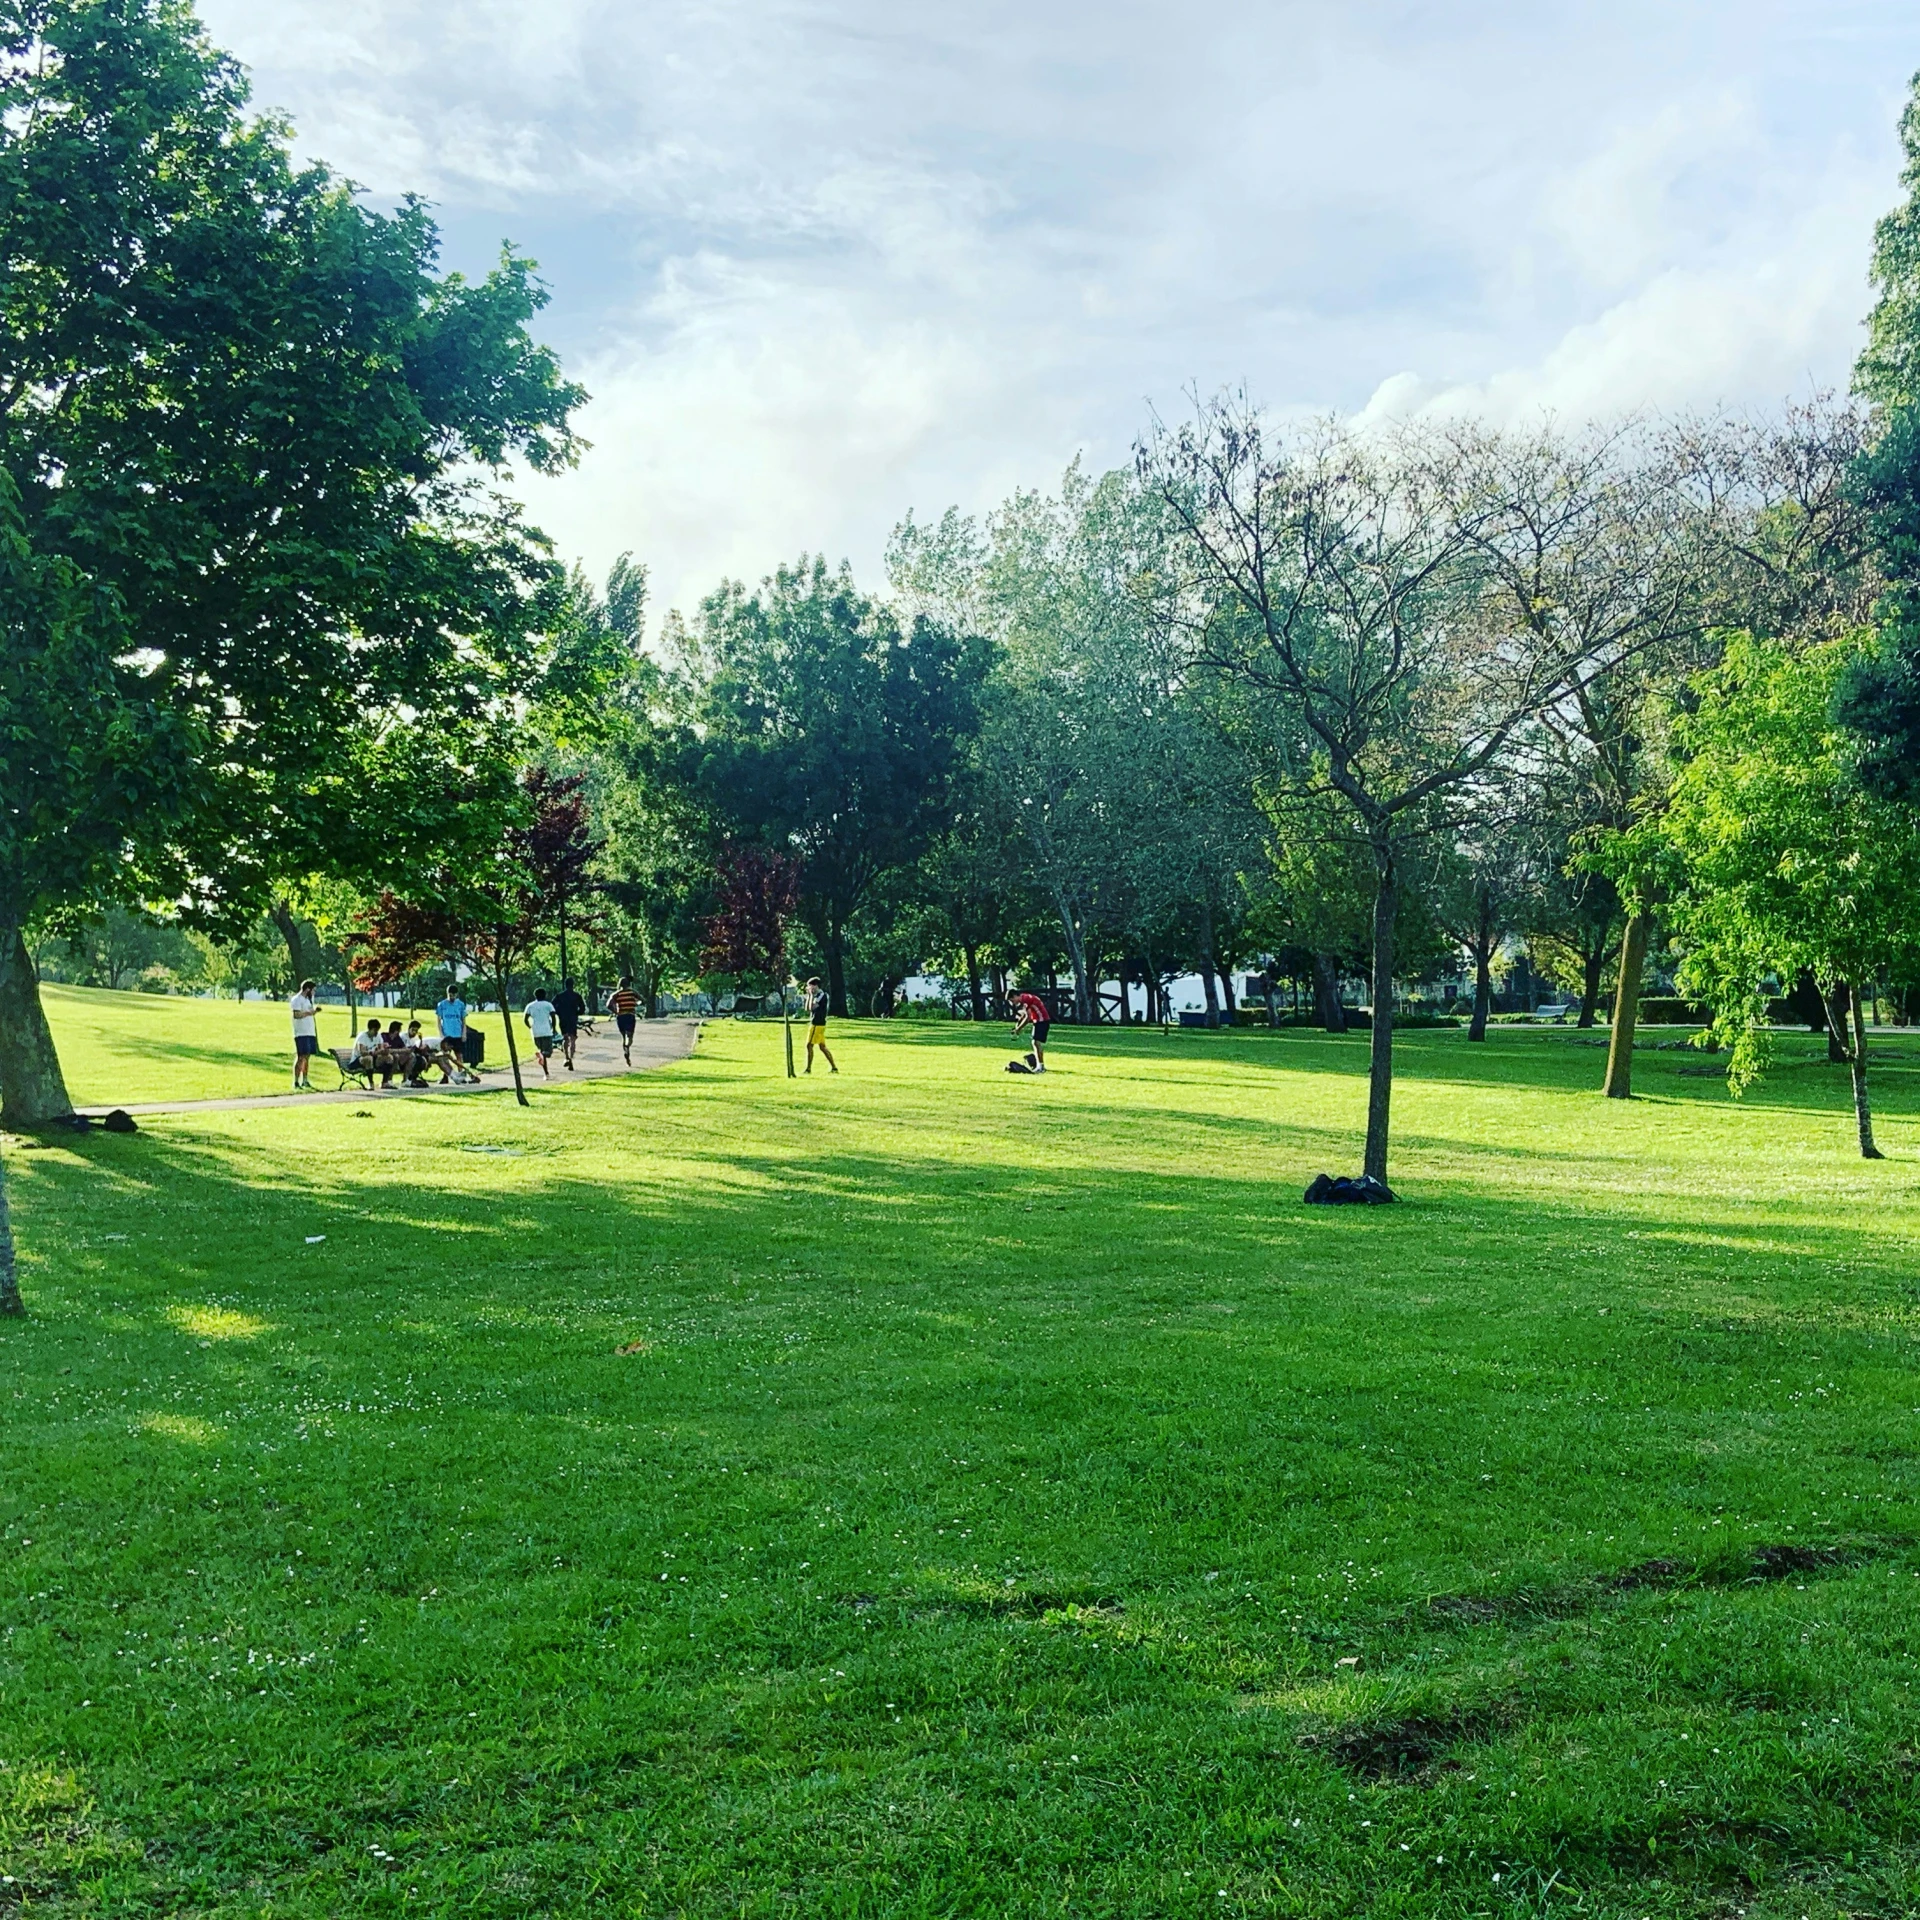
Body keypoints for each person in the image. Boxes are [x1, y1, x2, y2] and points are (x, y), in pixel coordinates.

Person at [289, 978, 320, 1089]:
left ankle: (305, 1080)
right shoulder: (297, 1000)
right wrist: (310, 1012)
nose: (314, 993)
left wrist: (314, 1012)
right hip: (301, 1033)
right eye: (313, 990)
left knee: (307, 1057)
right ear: (307, 989)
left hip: (310, 1032)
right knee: (301, 1056)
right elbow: (296, 1015)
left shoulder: (308, 1000)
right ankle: (296, 1081)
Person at [803, 977, 837, 1074]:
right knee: (822, 1047)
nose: (809, 988)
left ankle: (808, 1069)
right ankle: (834, 1068)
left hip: (817, 1024)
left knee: (809, 1045)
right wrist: (809, 996)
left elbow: (813, 1007)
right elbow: (807, 1008)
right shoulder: (815, 995)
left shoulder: (821, 995)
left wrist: (810, 995)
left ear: (815, 986)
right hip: (817, 1023)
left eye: (810, 986)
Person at [553, 977, 588, 1071]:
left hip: (563, 1018)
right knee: (573, 1038)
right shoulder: (577, 996)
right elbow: (582, 1007)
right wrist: (578, 1013)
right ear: (573, 985)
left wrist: (559, 1012)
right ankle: (571, 1058)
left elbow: (553, 1006)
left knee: (565, 1038)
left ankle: (566, 1057)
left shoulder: (559, 996)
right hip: (572, 1018)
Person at [1012, 989, 1051, 1071]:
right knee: (1035, 1043)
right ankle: (1039, 1065)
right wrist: (1018, 1024)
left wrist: (1019, 1029)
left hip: (1042, 1020)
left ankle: (1040, 1066)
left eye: (1012, 1000)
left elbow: (1028, 1017)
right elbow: (1025, 1014)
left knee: (1036, 1042)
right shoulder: (1024, 997)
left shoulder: (1026, 1000)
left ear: (1015, 996)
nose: (1012, 1002)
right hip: (1039, 1020)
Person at [524, 986, 559, 1076]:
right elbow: (553, 1017)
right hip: (546, 1031)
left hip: (536, 1032)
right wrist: (554, 1028)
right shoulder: (548, 1005)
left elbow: (525, 1019)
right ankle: (541, 1054)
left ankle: (546, 1073)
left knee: (543, 1052)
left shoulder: (530, 1006)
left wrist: (530, 1027)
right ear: (545, 995)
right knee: (548, 1052)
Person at [605, 976, 640, 1065]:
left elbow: (608, 1004)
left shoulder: (616, 994)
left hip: (620, 1017)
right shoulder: (632, 992)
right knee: (630, 1036)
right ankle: (627, 1047)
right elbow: (643, 1000)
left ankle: (625, 1049)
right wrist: (635, 1003)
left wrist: (615, 1011)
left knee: (624, 1036)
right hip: (630, 1015)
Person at [436, 986, 468, 1067]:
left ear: (456, 994)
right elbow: (439, 1021)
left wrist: (464, 1033)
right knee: (445, 1056)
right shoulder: (441, 1005)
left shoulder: (460, 1005)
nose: (452, 997)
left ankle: (461, 1075)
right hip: (447, 1035)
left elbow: (464, 1021)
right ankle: (446, 1076)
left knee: (459, 1056)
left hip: (457, 1034)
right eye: (450, 995)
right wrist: (441, 1034)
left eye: (453, 995)